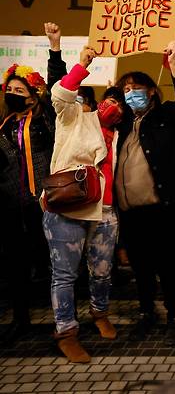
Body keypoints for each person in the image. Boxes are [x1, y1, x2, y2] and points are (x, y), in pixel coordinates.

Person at [42, 45, 125, 363]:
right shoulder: (72, 116)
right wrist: (82, 64)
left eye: (119, 102)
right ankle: (66, 332)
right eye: (110, 98)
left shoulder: (119, 136)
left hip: (105, 213)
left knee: (102, 272)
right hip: (68, 208)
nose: (113, 105)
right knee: (64, 274)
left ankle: (99, 312)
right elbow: (60, 94)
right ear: (95, 101)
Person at [114, 40, 175, 345]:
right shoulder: (120, 126)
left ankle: (174, 317)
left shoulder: (167, 116)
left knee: (165, 263)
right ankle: (146, 313)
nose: (130, 93)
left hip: (161, 207)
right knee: (140, 265)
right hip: (129, 210)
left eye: (135, 87)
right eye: (125, 90)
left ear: (150, 90)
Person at [0, 58, 53, 345]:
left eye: (20, 91)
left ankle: (62, 319)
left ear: (33, 96)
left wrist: (54, 51)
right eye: (11, 91)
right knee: (15, 264)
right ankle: (21, 319)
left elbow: (56, 95)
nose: (14, 95)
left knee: (49, 260)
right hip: (10, 205)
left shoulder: (44, 122)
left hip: (41, 203)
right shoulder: (3, 125)